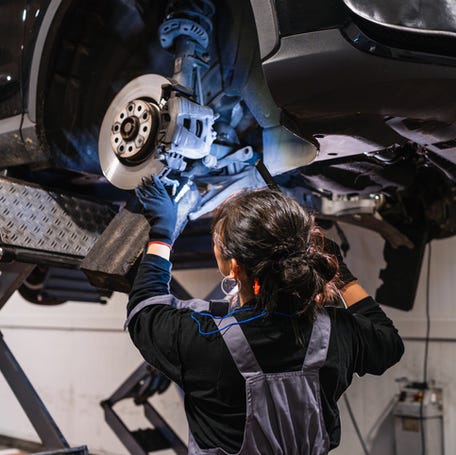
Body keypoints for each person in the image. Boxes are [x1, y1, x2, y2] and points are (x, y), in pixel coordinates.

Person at [126, 176, 404, 454]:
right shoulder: (337, 332)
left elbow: (145, 309)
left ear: (233, 266)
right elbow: (389, 343)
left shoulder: (205, 340)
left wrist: (162, 233)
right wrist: (342, 275)